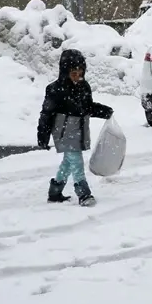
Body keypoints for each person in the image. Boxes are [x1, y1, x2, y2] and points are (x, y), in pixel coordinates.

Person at [37, 48, 113, 206]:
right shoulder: (55, 89)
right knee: (76, 161)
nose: (78, 76)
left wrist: (104, 111)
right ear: (65, 72)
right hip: (63, 132)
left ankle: (55, 191)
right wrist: (42, 136)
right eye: (73, 73)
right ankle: (84, 194)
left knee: (68, 162)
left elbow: (88, 107)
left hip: (80, 130)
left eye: (80, 72)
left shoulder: (84, 87)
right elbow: (46, 114)